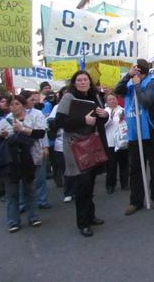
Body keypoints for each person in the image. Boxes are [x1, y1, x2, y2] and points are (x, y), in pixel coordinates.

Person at [55, 70, 109, 237]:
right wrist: (83, 120)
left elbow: (100, 120)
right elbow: (60, 121)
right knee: (82, 185)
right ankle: (83, 223)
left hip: (93, 144)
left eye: (85, 79)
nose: (83, 82)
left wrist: (104, 114)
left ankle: (90, 216)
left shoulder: (95, 96)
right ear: (74, 82)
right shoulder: (68, 97)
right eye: (79, 80)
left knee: (90, 182)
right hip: (77, 146)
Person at [114, 58, 154, 215]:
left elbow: (145, 102)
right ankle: (135, 200)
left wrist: (136, 84)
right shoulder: (129, 83)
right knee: (134, 169)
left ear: (140, 71)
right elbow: (117, 90)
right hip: (134, 134)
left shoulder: (153, 83)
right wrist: (127, 77)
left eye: (134, 68)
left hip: (151, 132)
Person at [0, 94, 46, 233]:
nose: (14, 107)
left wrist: (23, 129)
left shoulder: (33, 117)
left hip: (29, 158)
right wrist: (1, 136)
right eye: (11, 105)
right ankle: (13, 221)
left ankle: (33, 216)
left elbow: (40, 133)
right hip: (10, 160)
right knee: (12, 192)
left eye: (17, 104)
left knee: (30, 188)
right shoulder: (5, 121)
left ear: (23, 105)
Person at [48, 87, 77, 203]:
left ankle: (78, 189)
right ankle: (69, 191)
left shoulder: (77, 106)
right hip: (62, 142)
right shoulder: (57, 107)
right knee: (66, 168)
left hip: (77, 141)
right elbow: (52, 122)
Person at [104, 92, 129, 194]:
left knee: (124, 164)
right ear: (106, 102)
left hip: (122, 142)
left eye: (114, 99)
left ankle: (125, 183)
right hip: (110, 142)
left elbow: (127, 124)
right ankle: (110, 185)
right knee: (111, 165)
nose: (112, 101)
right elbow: (102, 126)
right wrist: (109, 118)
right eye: (109, 99)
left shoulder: (123, 110)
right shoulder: (104, 112)